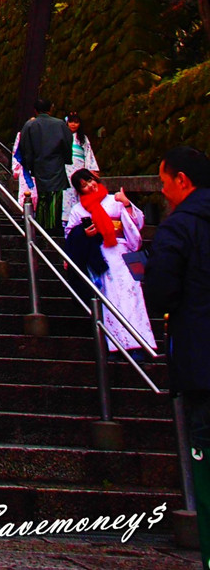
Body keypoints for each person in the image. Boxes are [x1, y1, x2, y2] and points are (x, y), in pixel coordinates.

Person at [144, 146, 210, 569]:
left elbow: (160, 292)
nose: (164, 192)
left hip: (201, 361)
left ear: (182, 181)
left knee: (206, 458)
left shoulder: (179, 227)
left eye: (165, 183)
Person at [64, 169, 154, 359]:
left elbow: (136, 224)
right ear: (79, 191)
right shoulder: (77, 210)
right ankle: (115, 346)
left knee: (132, 299)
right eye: (84, 185)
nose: (90, 186)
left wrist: (126, 203)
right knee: (109, 301)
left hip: (122, 252)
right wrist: (84, 233)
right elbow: (70, 235)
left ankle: (139, 344)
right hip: (100, 257)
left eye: (90, 181)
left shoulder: (114, 200)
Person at [19, 97, 72, 238]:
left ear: (35, 110)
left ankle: (42, 226)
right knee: (55, 196)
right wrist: (66, 159)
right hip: (56, 163)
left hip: (39, 164)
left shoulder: (30, 125)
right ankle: (53, 227)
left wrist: (29, 165)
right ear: (50, 109)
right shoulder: (60, 124)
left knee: (43, 196)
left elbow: (24, 147)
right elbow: (67, 144)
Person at [62, 111, 99, 227]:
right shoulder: (61, 135)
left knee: (81, 190)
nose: (73, 124)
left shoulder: (83, 138)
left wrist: (89, 170)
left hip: (79, 167)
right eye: (71, 122)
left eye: (76, 122)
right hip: (65, 168)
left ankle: (83, 219)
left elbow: (88, 154)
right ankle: (66, 220)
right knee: (66, 193)